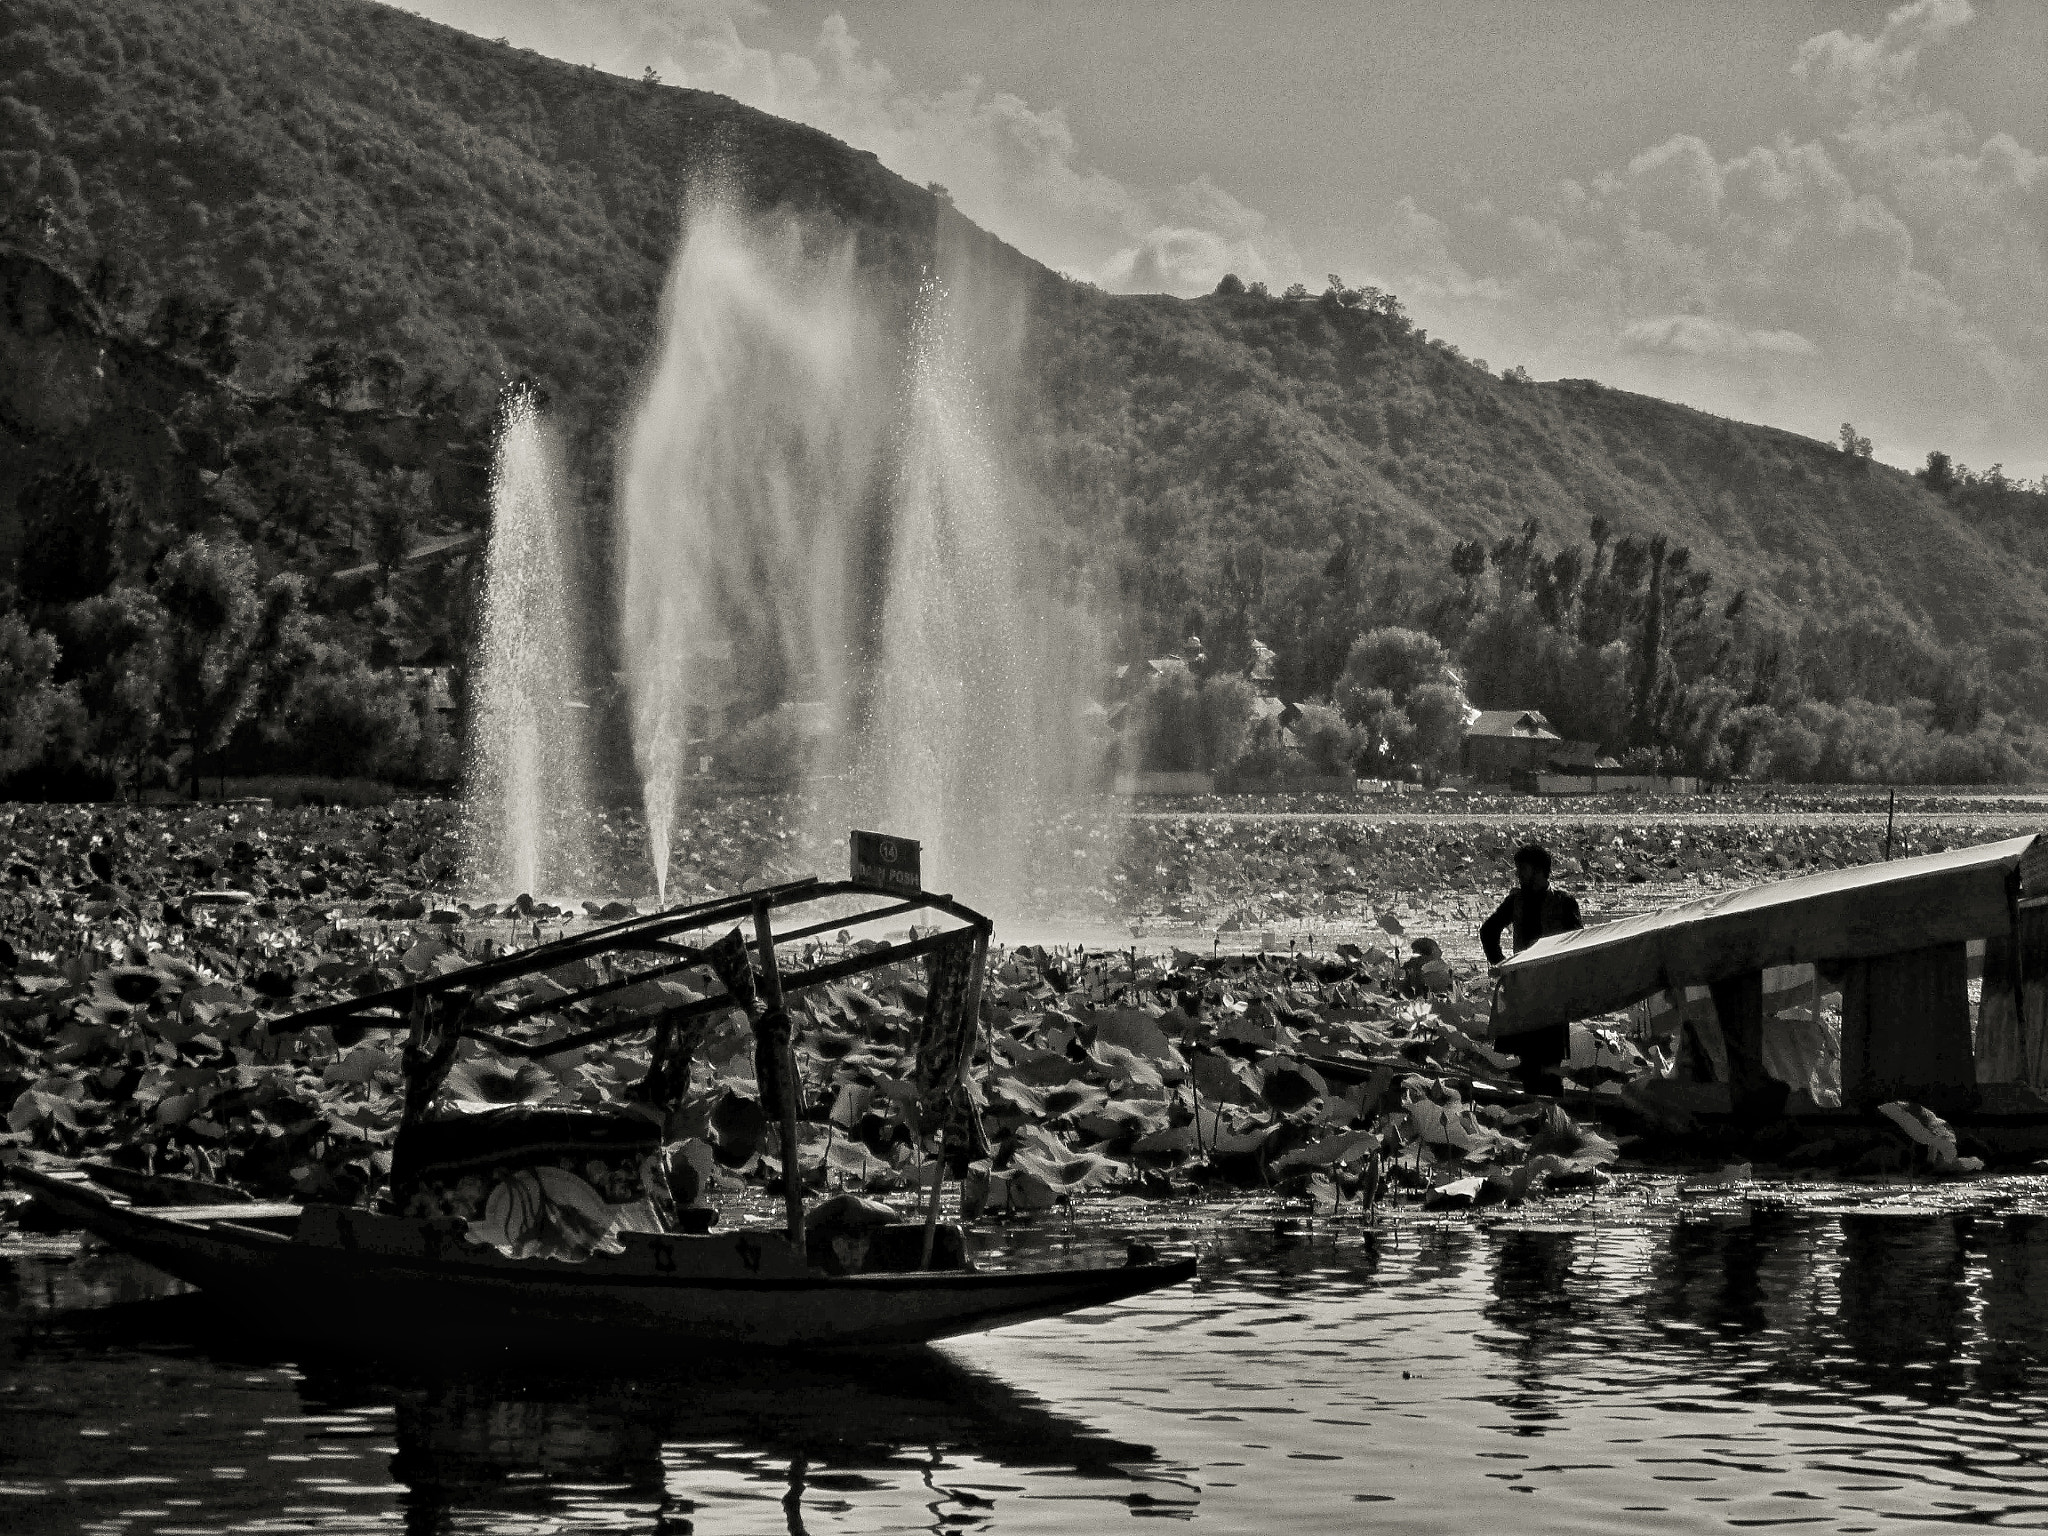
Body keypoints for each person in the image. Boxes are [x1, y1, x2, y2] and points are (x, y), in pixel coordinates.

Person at [1479, 844, 1582, 1093]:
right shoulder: (1516, 900)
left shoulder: (1564, 902)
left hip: (1552, 990)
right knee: (1528, 1061)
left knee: (1550, 1061)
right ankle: (1534, 1109)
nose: (1519, 875)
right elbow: (1488, 931)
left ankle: (1554, 1113)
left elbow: (1580, 943)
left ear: (1539, 871)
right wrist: (1503, 965)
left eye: (1522, 869)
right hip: (1524, 987)